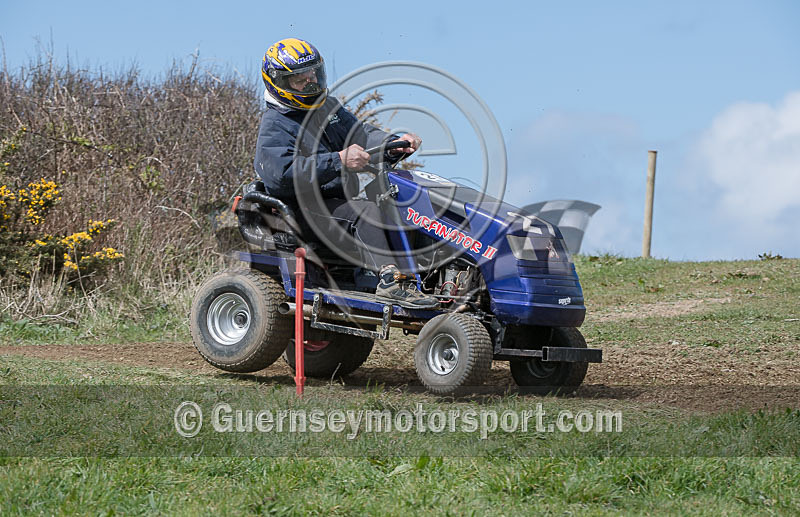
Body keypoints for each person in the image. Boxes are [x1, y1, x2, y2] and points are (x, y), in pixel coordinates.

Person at [254, 37, 438, 309]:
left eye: (312, 74)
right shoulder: (276, 123)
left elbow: (362, 135)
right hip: (302, 208)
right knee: (367, 213)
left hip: (337, 202)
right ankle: (392, 281)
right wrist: (338, 160)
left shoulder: (328, 108)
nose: (310, 83)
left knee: (404, 204)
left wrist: (394, 144)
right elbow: (281, 174)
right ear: (279, 83)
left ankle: (431, 276)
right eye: (299, 80)